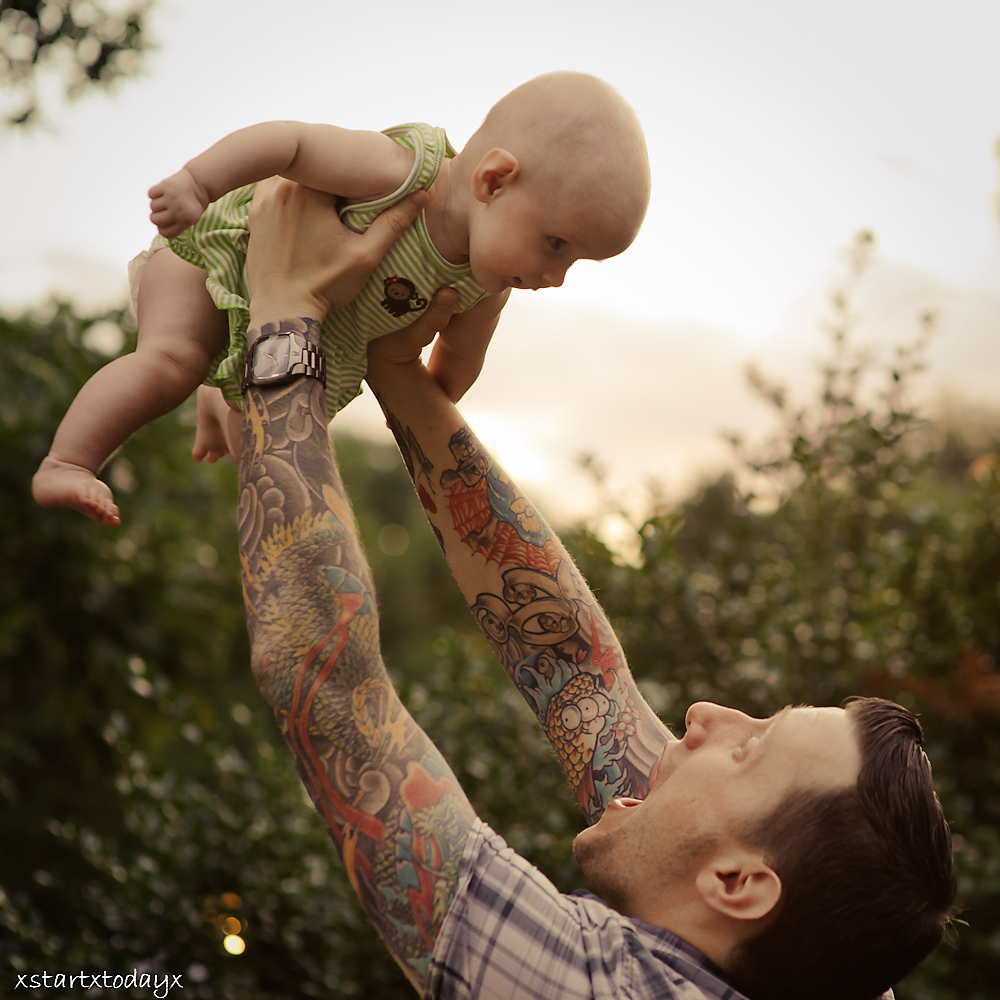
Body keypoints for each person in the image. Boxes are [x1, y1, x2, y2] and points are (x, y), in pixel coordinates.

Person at [234, 178, 955, 1000]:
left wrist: (284, 321)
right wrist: (399, 370)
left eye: (748, 750)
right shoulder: (831, 956)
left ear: (738, 885)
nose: (705, 718)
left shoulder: (592, 988)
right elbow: (571, 663)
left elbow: (324, 684)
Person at [31, 71, 650, 528]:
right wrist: (198, 182)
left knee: (275, 466)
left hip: (289, 343)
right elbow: (292, 144)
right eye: (556, 243)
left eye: (575, 261)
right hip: (228, 258)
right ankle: (68, 462)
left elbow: (454, 370)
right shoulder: (403, 172)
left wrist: (420, 403)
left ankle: (218, 402)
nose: (556, 275)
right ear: (494, 179)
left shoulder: (485, 286)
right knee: (170, 361)